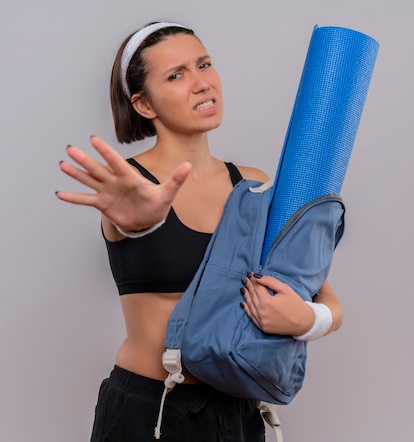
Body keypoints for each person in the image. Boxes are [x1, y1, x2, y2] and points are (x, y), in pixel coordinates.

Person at [56, 21, 343, 442]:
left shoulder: (253, 186)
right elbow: (129, 219)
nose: (201, 83)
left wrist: (306, 319)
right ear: (143, 104)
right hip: (148, 413)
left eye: (204, 65)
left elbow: (326, 299)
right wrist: (139, 222)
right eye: (176, 75)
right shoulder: (130, 188)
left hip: (236, 412)